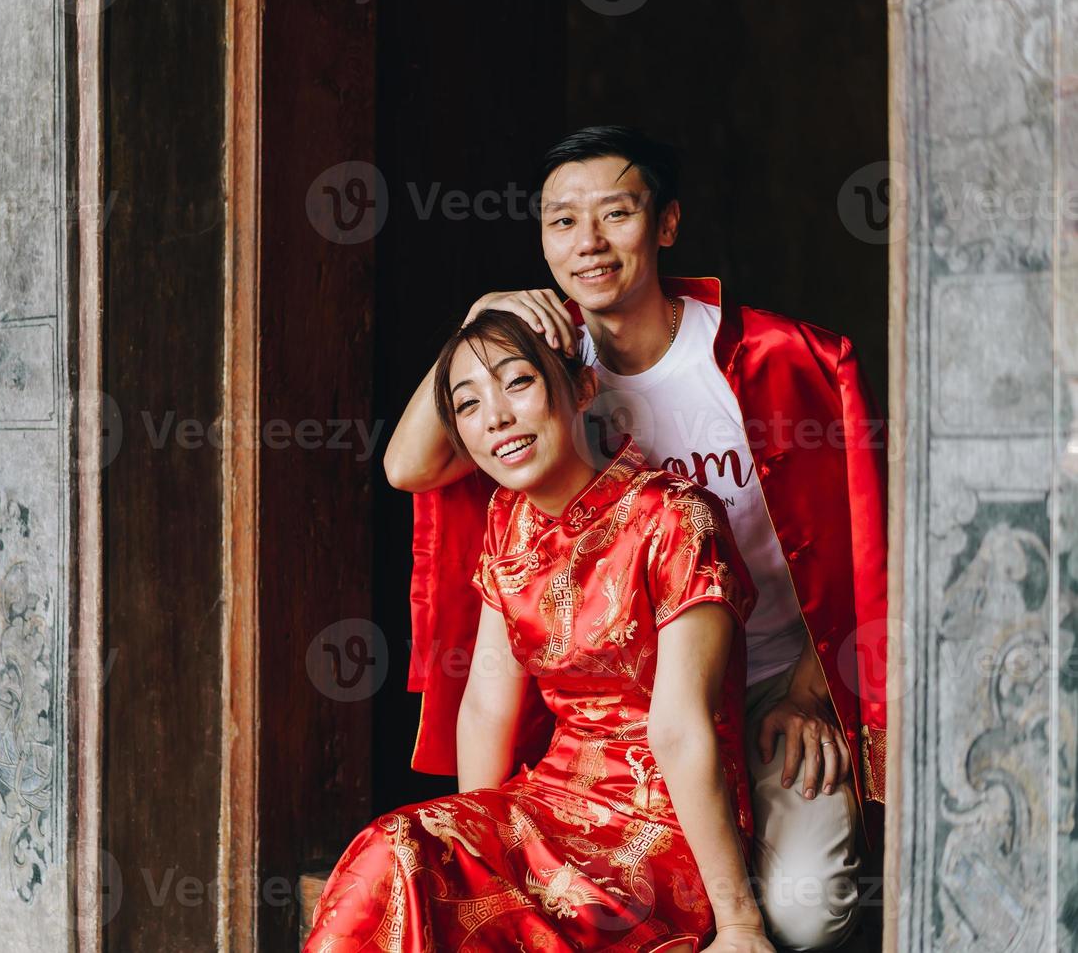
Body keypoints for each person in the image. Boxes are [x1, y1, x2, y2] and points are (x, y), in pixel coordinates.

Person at [386, 126, 887, 950]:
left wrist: (811, 686)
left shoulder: (776, 360)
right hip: (607, 708)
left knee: (804, 913)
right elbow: (410, 466)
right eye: (560, 222)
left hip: (767, 683)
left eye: (614, 213)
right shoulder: (541, 370)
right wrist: (479, 322)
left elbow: (870, 544)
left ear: (665, 224)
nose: (587, 243)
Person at [304, 310, 772, 953]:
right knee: (397, 852)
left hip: (661, 825)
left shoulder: (675, 518)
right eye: (468, 404)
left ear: (581, 390)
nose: (495, 416)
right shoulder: (507, 520)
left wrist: (741, 924)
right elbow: (488, 702)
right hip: (550, 802)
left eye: (517, 383)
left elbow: (683, 726)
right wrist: (474, 840)